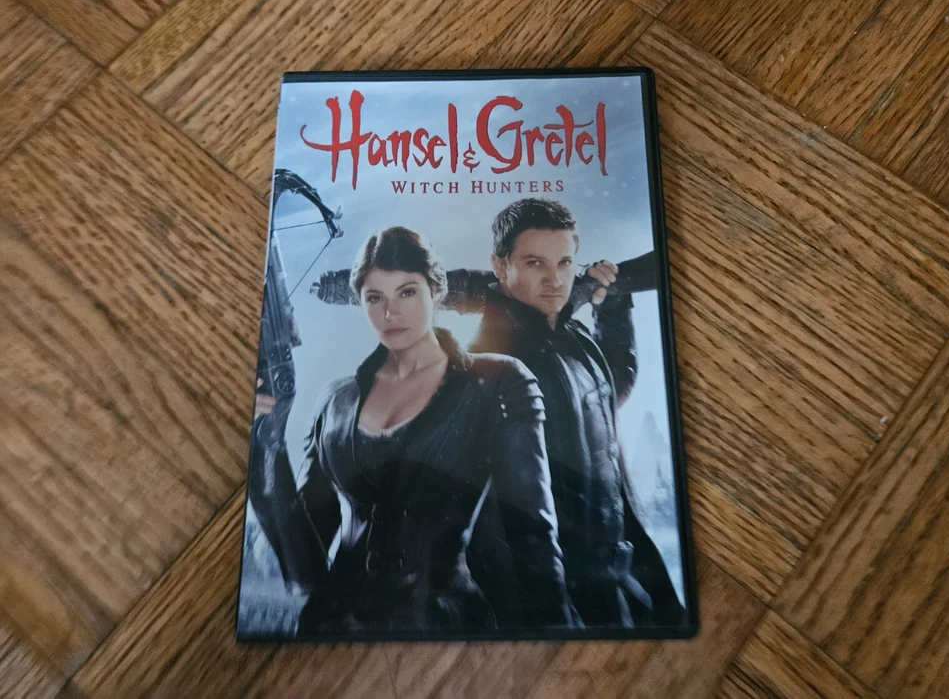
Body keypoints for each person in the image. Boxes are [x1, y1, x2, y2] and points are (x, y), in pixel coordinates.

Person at [249, 226, 573, 634]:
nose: (391, 312)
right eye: (374, 297)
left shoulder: (497, 381)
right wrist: (267, 440)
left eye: (407, 292)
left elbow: (532, 535)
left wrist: (559, 640)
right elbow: (304, 562)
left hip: (445, 627)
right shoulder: (336, 400)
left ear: (436, 291)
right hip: (335, 630)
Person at [468, 198, 685, 628]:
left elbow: (605, 394)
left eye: (565, 262)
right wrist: (552, 607)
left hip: (621, 563)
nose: (555, 280)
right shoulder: (487, 362)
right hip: (565, 591)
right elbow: (494, 516)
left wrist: (612, 306)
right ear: (499, 265)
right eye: (535, 263)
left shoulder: (572, 335)